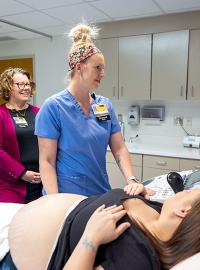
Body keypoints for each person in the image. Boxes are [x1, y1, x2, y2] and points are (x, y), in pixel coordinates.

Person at [34, 23, 145, 197]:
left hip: (100, 191)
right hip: (66, 196)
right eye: (97, 68)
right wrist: (53, 201)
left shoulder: (104, 105)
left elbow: (119, 148)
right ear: (79, 67)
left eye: (103, 68)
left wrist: (131, 179)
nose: (103, 73)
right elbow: (47, 161)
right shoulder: (54, 107)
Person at [8, 187, 200, 270]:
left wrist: (91, 238)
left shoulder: (138, 259)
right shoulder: (158, 211)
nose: (183, 191)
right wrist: (136, 194)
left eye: (189, 192)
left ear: (183, 211)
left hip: (19, 256)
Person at [0, 67, 42, 203]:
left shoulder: (39, 112)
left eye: (28, 84)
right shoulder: (1, 114)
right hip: (11, 184)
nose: (26, 88)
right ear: (8, 87)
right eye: (20, 84)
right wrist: (22, 173)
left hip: (41, 182)